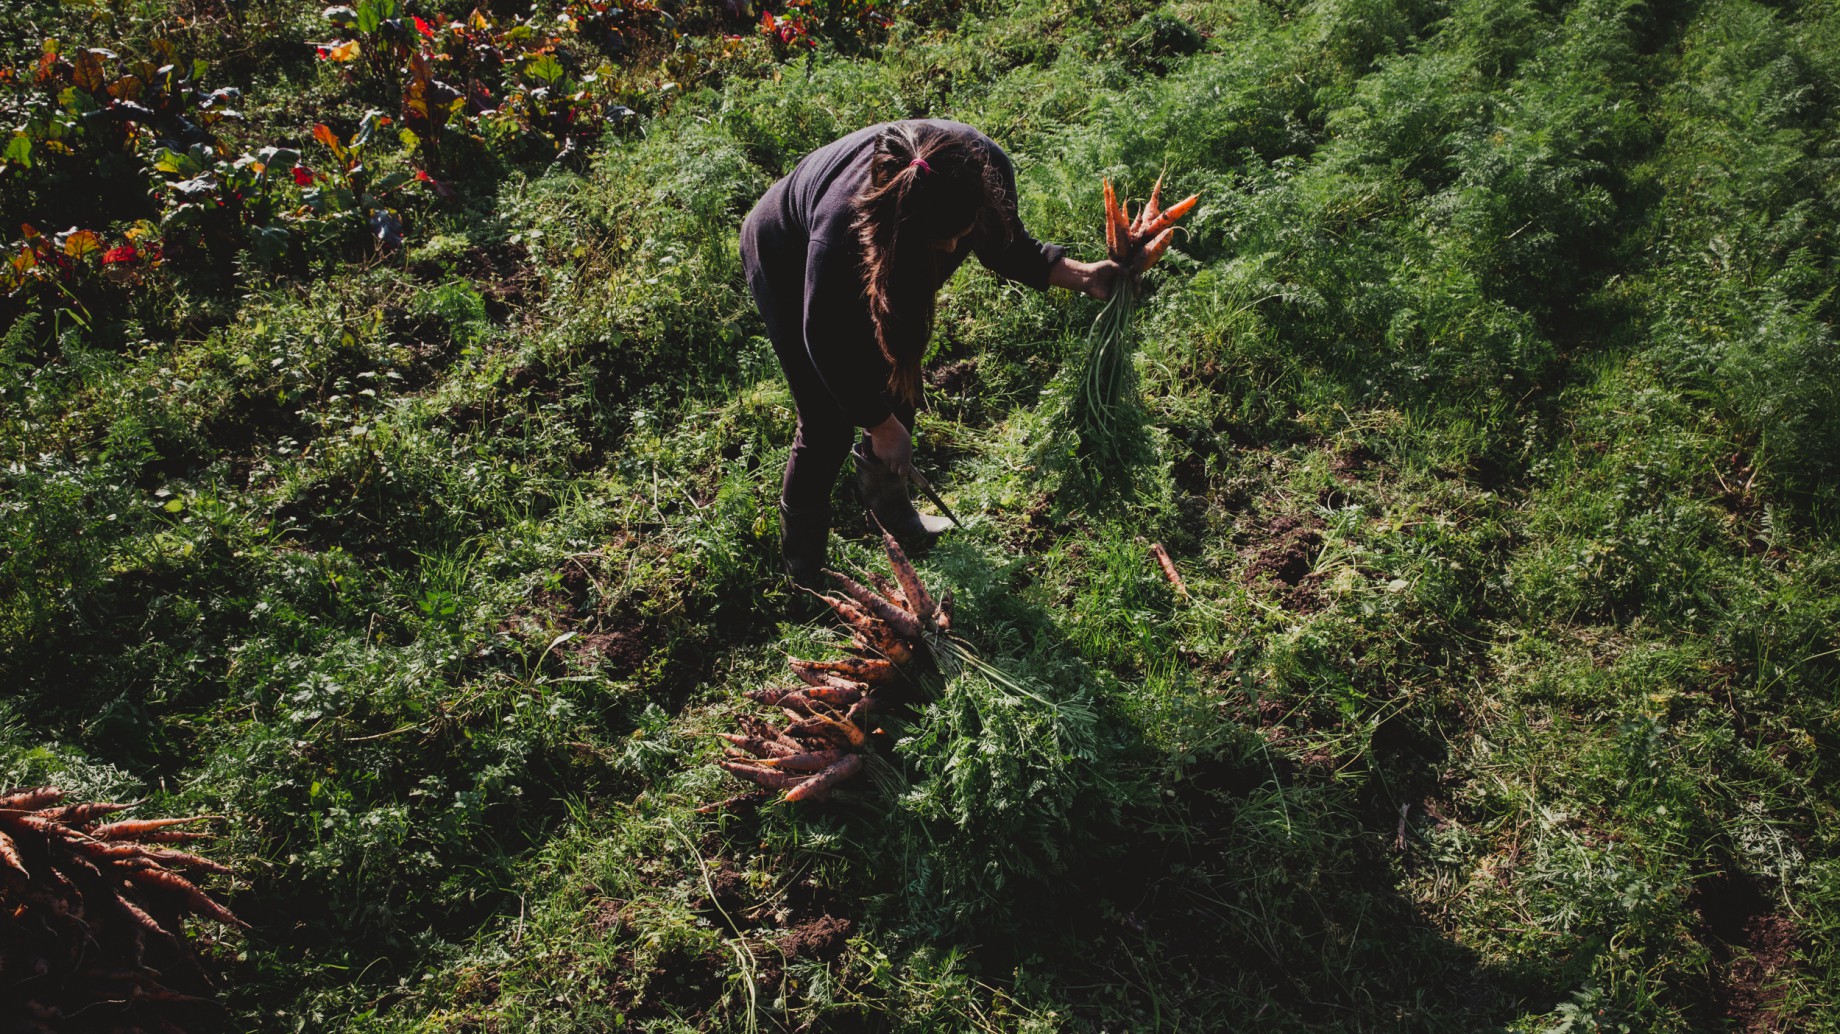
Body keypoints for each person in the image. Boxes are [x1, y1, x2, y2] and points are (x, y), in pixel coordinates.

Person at [740, 119, 1119, 586]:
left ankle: (893, 516)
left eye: (962, 234)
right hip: (783, 250)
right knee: (826, 422)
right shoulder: (843, 228)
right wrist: (878, 424)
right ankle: (805, 573)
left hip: (879, 240)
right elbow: (824, 336)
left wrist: (1086, 277)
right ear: (904, 226)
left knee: (897, 369)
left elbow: (1006, 247)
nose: (955, 248)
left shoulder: (983, 170)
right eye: (942, 241)